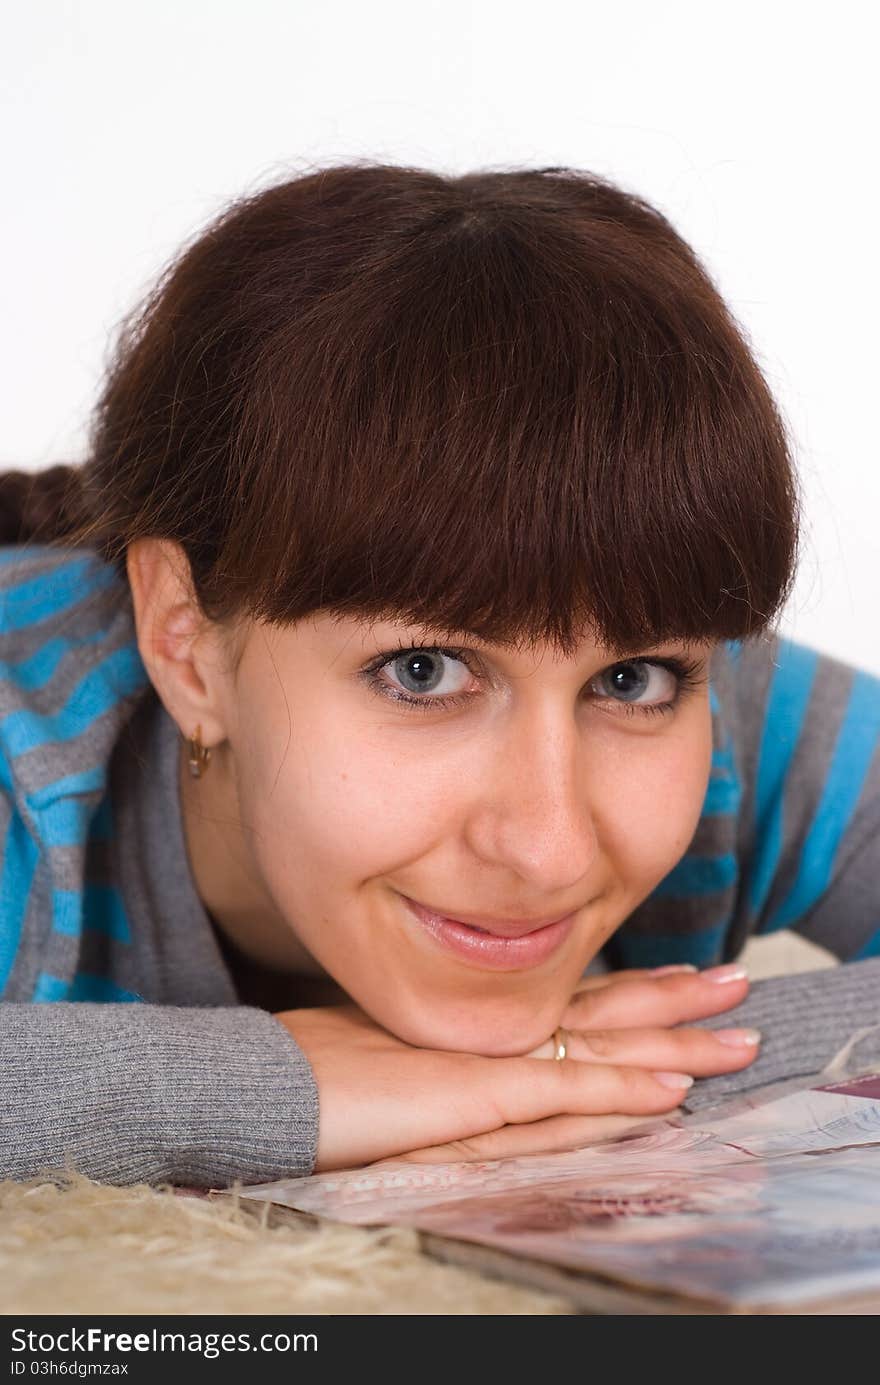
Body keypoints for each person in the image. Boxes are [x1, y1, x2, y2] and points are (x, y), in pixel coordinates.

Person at [1, 163, 878, 1190]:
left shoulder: (721, 701)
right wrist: (287, 1086)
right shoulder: (27, 762)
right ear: (186, 641)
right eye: (423, 671)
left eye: (630, 680)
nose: (547, 847)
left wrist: (577, 1075)